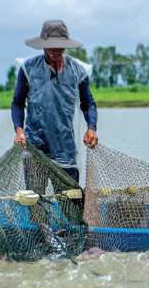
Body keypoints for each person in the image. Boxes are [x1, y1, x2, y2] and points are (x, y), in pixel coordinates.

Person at [11, 19, 98, 184]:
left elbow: (88, 104)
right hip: (35, 148)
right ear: (43, 44)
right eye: (52, 45)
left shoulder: (78, 70)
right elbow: (18, 103)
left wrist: (91, 128)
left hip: (66, 149)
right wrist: (19, 130)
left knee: (70, 201)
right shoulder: (28, 68)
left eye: (60, 46)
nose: (56, 50)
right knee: (35, 202)